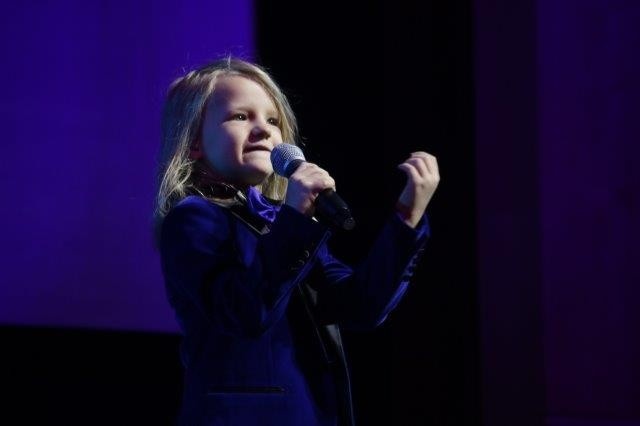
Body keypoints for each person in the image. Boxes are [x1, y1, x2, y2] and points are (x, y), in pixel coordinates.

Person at [153, 56, 440, 426]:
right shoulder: (193, 218)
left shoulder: (283, 223)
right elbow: (245, 311)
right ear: (194, 141)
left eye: (272, 120)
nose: (263, 129)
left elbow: (360, 306)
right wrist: (294, 219)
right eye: (240, 116)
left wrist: (407, 218)